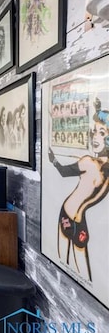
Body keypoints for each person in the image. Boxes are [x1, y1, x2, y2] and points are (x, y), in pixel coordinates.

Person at [48, 98, 109, 281]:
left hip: (74, 218)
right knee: (74, 272)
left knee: (77, 273)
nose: (95, 137)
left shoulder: (90, 162)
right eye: (95, 132)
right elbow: (65, 172)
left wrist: (53, 160)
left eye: (101, 132)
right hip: (72, 217)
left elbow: (63, 171)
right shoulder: (90, 162)